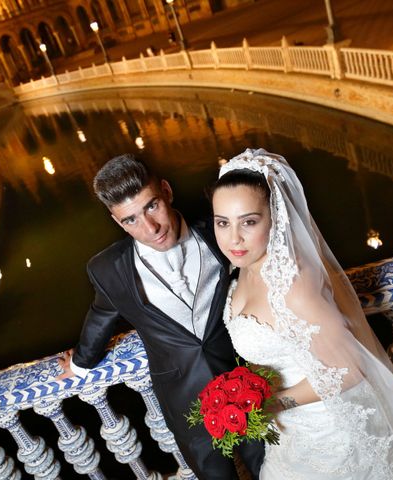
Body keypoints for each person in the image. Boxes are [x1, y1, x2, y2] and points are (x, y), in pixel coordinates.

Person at [210, 148, 393, 479]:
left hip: (328, 432)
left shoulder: (294, 288)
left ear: (275, 217)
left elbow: (348, 370)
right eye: (223, 222)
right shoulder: (245, 266)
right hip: (293, 433)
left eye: (249, 221)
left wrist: (273, 404)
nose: (234, 238)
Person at [58, 154, 264, 479]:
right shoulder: (108, 269)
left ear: (166, 191)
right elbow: (101, 314)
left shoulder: (217, 228)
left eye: (151, 206)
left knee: (272, 466)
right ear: (117, 221)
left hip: (248, 377)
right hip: (184, 398)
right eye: (130, 220)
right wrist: (82, 363)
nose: (150, 228)